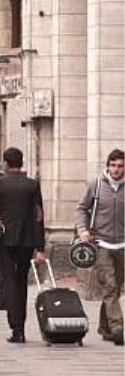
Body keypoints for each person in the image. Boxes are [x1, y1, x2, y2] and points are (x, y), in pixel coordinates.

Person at [0, 147, 45, 343]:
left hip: (4, 240)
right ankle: (20, 327)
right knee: (21, 281)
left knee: (8, 280)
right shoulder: (32, 185)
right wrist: (40, 247)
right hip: (27, 240)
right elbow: (38, 216)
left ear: (5, 164)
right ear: (21, 162)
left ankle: (15, 327)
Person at [74, 148, 125, 345]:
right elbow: (81, 208)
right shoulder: (96, 185)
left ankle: (104, 326)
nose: (116, 169)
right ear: (108, 166)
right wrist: (83, 230)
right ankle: (117, 326)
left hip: (122, 244)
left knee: (116, 287)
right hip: (101, 242)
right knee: (110, 285)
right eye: (113, 165)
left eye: (120, 166)